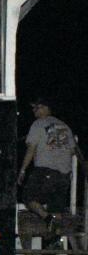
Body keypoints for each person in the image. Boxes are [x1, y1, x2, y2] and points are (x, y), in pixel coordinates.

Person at [17, 97, 84, 232]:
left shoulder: (38, 124)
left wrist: (23, 170)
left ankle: (47, 218)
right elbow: (72, 150)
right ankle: (56, 237)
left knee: (28, 197)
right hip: (64, 175)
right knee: (56, 207)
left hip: (45, 171)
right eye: (33, 108)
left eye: (37, 107)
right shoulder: (64, 126)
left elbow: (31, 149)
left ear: (46, 108)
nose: (34, 110)